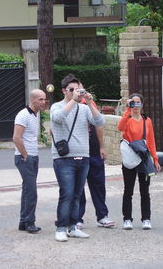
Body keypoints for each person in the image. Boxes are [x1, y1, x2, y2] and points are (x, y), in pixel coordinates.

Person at [50, 74, 105, 242]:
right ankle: (61, 227)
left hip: (84, 157)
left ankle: (73, 227)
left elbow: (99, 121)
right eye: (71, 90)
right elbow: (57, 119)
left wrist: (89, 102)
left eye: (77, 89)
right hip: (64, 159)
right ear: (64, 91)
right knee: (66, 193)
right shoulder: (56, 106)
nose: (75, 92)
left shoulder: (84, 108)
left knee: (77, 194)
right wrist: (73, 100)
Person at [117, 93, 161, 230]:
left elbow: (151, 140)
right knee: (128, 190)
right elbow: (120, 128)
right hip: (130, 158)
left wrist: (155, 158)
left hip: (143, 157)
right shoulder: (127, 119)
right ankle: (127, 219)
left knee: (145, 191)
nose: (135, 106)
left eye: (138, 103)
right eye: (133, 103)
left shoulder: (147, 120)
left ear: (142, 104)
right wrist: (126, 110)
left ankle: (146, 218)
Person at [76, 83, 114, 229]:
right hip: (78, 152)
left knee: (98, 184)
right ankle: (77, 218)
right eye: (76, 90)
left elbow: (98, 125)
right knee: (78, 187)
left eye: (81, 89)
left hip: (93, 151)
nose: (80, 92)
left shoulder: (89, 105)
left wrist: (102, 146)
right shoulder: (69, 107)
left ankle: (102, 216)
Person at [13, 89, 47, 234]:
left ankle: (23, 222)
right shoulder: (23, 115)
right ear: (32, 100)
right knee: (31, 191)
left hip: (33, 156)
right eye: (40, 99)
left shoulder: (35, 114)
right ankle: (30, 222)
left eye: (44, 99)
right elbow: (16, 137)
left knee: (27, 190)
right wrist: (25, 155)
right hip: (25, 157)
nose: (43, 102)